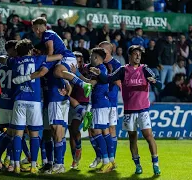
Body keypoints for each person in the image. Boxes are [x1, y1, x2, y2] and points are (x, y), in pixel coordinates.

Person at [90, 45, 162, 175]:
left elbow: (160, 84)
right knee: (133, 138)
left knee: (148, 136)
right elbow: (108, 79)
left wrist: (154, 82)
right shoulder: (123, 70)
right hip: (129, 111)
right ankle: (138, 165)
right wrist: (99, 73)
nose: (138, 56)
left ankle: (155, 164)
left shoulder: (145, 69)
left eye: (139, 54)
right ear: (130, 55)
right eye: (135, 53)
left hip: (143, 110)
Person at [9, 39, 62, 174]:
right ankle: (33, 166)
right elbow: (59, 56)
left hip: (19, 100)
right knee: (34, 134)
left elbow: (2, 58)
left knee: (18, 134)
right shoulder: (37, 59)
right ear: (29, 50)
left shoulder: (14, 61)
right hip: (34, 101)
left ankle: (15, 165)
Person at [30, 17, 92, 97]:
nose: (34, 32)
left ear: (37, 29)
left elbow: (50, 52)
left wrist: (42, 60)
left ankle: (84, 85)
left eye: (33, 30)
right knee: (58, 73)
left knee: (57, 71)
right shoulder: (47, 35)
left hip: (66, 57)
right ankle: (66, 88)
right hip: (64, 59)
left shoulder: (47, 34)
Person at [0, 40, 18, 171]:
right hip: (13, 103)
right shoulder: (16, 66)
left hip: (3, 102)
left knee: (7, 132)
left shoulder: (0, 68)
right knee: (14, 133)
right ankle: (7, 158)